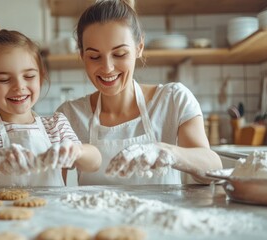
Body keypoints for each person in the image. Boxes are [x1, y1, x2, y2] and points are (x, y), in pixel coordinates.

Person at [57, 0, 222, 185]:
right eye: (94, 57)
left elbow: (213, 169)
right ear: (82, 56)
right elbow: (53, 187)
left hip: (162, 214)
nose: (107, 67)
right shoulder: (69, 116)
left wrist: (167, 152)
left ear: (139, 48)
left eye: (119, 54)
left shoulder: (173, 100)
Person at [0, 23, 101, 189]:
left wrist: (77, 151)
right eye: (4, 79)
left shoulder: (56, 125)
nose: (19, 86)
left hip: (52, 213)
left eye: (29, 76)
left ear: (40, 77)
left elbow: (94, 162)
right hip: (4, 212)